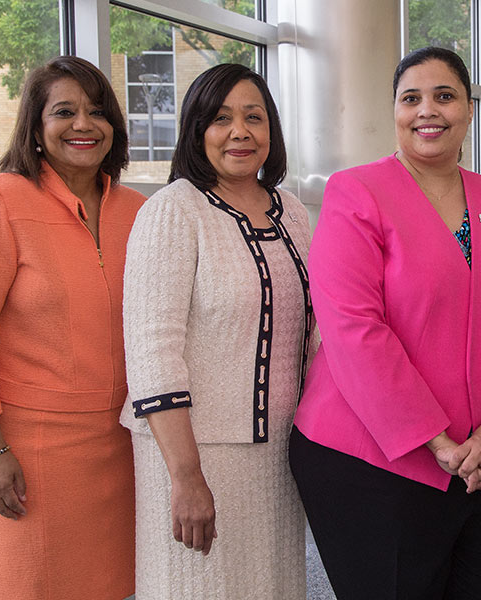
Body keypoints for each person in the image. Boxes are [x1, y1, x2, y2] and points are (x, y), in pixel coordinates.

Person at [290, 46, 481, 599]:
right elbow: (353, 328)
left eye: (444, 96)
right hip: (370, 461)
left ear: (469, 109)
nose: (426, 111)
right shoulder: (356, 192)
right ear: (395, 110)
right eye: (411, 98)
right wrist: (438, 443)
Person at [120, 63, 311, 599]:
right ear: (196, 128)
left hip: (278, 455)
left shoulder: (291, 211)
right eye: (221, 118)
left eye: (254, 117)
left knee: (273, 586)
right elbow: (152, 351)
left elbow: (316, 332)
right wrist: (186, 476)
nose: (240, 132)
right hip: (195, 453)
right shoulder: (172, 210)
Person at [0, 56, 143, 599]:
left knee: (115, 587)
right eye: (64, 112)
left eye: (97, 112)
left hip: (125, 444)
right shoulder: (2, 199)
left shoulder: (139, 211)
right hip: (32, 453)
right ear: (35, 126)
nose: (83, 125)